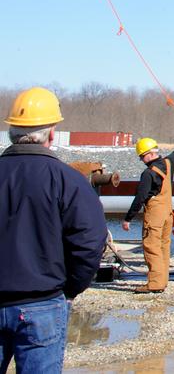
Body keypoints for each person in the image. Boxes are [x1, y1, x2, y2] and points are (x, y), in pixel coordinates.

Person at [0, 87, 108, 372]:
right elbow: (90, 242)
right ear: (51, 134)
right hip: (43, 303)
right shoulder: (68, 180)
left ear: (12, 132)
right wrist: (71, 288)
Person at [122, 114, 174, 293]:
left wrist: (128, 218)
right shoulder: (169, 162)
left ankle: (154, 283)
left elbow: (140, 198)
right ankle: (162, 281)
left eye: (141, 157)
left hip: (154, 214)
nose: (141, 160)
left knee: (151, 247)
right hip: (168, 213)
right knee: (163, 247)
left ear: (147, 155)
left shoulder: (148, 174)